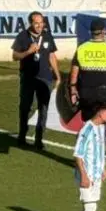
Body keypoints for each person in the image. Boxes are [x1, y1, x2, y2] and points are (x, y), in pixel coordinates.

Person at [12, 11, 61, 150]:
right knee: (26, 107)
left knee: (44, 108)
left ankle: (39, 139)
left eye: (41, 22)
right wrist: (28, 51)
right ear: (31, 23)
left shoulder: (47, 36)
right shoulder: (23, 36)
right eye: (36, 23)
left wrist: (57, 75)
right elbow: (15, 56)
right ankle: (22, 136)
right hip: (28, 78)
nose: (39, 25)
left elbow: (52, 55)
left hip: (45, 78)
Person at [73, 100, 106, 211]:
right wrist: (84, 176)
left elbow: (97, 151)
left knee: (89, 207)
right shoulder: (86, 129)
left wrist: (102, 168)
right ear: (100, 113)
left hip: (96, 175)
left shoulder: (100, 128)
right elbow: (78, 155)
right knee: (90, 208)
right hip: (87, 176)